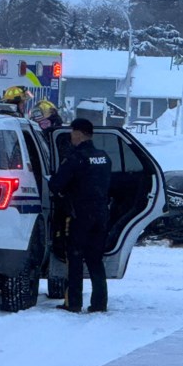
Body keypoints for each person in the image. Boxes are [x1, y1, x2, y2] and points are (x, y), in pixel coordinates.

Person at [48, 118, 113, 313]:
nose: (71, 136)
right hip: (101, 214)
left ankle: (73, 302)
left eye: (72, 132)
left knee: (74, 259)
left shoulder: (76, 158)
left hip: (79, 215)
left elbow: (56, 184)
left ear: (79, 133)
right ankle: (100, 303)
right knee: (95, 259)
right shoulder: (104, 157)